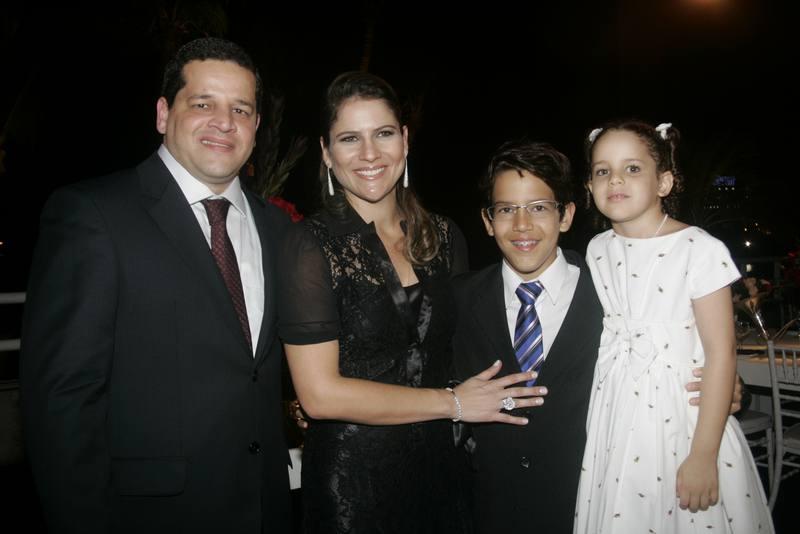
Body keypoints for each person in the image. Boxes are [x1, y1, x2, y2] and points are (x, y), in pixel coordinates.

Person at [20, 37, 292, 533]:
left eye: (241, 109)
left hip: (265, 510)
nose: (224, 122)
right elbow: (61, 398)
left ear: (256, 126)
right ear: (164, 114)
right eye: (203, 103)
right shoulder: (93, 214)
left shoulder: (277, 229)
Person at [276, 71, 545, 533]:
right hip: (354, 487)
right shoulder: (309, 245)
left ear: (404, 140)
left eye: (382, 133)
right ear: (326, 152)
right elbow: (319, 396)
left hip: (445, 475)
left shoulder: (445, 235)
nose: (369, 154)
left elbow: (463, 350)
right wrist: (452, 403)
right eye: (349, 138)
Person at [451, 140, 745, 534]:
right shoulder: (456, 299)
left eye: (539, 207)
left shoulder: (610, 292)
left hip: (595, 502)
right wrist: (453, 401)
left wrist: (726, 388)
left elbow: (674, 341)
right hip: (491, 509)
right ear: (488, 221)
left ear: (567, 215)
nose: (522, 225)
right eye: (506, 209)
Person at [574, 120, 774, 532]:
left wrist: (703, 454)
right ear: (590, 187)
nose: (615, 179)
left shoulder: (699, 249)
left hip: (683, 418)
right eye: (602, 170)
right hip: (614, 410)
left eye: (632, 168)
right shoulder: (596, 250)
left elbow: (721, 353)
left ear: (663, 182)